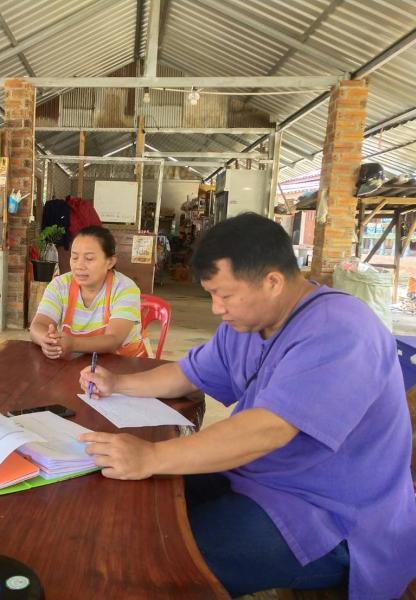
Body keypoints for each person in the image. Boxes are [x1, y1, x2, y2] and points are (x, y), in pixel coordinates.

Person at [79, 213, 416, 599]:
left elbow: (267, 429)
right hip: (256, 476)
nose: (216, 308)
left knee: (161, 556)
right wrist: (118, 383)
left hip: (328, 512)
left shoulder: (341, 329)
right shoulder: (250, 323)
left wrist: (150, 456)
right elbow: (189, 374)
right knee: (129, 508)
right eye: (211, 295)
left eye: (225, 295)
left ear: (272, 281)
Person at [30, 225, 147, 359]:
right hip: (79, 363)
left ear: (110, 262)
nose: (79, 266)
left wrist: (73, 344)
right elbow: (38, 326)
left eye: (89, 258)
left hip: (124, 364)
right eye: (74, 258)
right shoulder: (59, 285)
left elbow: (113, 340)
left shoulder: (125, 288)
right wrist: (47, 340)